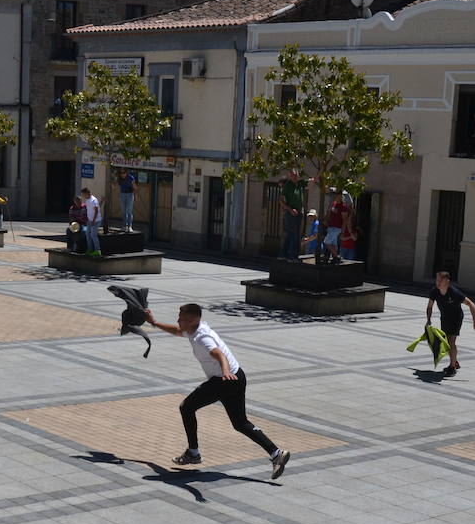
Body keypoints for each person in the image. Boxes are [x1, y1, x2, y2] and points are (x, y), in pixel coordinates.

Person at [145, 303, 291, 479]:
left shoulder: (202, 337)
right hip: (238, 376)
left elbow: (219, 354)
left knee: (186, 407)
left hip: (225, 379)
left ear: (192, 320)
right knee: (240, 423)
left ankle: (193, 453)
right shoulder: (194, 328)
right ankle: (276, 453)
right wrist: (154, 323)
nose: (178, 320)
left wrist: (225, 371)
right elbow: (177, 331)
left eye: (181, 318)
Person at [426, 271, 475, 375]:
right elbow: (429, 306)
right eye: (437, 280)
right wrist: (428, 319)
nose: (437, 282)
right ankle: (454, 361)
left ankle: (452, 367)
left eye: (440, 280)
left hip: (456, 318)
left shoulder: (454, 293)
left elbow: (471, 304)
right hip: (445, 318)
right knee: (445, 343)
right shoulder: (434, 292)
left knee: (451, 342)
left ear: (447, 281)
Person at [278, 168, 307, 260]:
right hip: (291, 213)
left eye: (296, 175)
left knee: (293, 234)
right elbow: (281, 201)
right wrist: (290, 210)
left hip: (298, 213)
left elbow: (311, 181)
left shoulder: (299, 184)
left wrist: (319, 175)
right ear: (290, 176)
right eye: (292, 175)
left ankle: (284, 254)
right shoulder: (288, 186)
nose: (294, 177)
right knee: (293, 234)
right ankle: (292, 255)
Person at [324, 189, 350, 264]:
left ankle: (336, 256)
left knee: (327, 242)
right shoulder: (334, 204)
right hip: (331, 227)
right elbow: (329, 214)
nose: (334, 196)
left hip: (337, 228)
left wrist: (343, 230)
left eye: (336, 194)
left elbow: (345, 219)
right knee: (333, 244)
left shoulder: (343, 206)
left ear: (340, 195)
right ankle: (335, 257)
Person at [81, 187, 102, 257]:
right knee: (87, 234)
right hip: (89, 220)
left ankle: (98, 250)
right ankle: (90, 249)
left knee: (93, 235)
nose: (83, 196)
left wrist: (93, 220)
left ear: (87, 193)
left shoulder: (93, 200)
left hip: (95, 221)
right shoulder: (87, 200)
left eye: (83, 194)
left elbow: (96, 211)